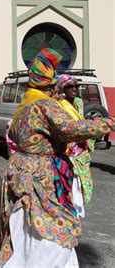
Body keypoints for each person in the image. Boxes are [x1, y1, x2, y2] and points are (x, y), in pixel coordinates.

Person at [0, 48, 114, 267]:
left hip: (18, 171)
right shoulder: (44, 106)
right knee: (51, 233)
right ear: (49, 85)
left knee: (23, 230)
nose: (58, 90)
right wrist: (108, 123)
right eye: (55, 85)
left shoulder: (23, 107)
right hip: (39, 176)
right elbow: (71, 128)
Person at [56, 74, 94, 218]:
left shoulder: (78, 102)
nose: (74, 89)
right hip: (66, 151)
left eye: (76, 86)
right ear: (62, 88)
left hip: (80, 151)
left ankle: (75, 214)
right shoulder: (58, 105)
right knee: (69, 185)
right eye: (69, 86)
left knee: (80, 184)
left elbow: (80, 121)